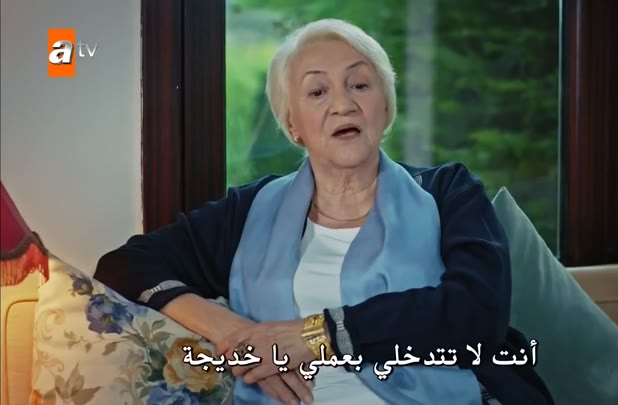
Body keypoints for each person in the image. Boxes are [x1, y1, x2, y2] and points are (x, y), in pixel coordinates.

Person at [94, 18, 553, 405]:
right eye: (317, 92)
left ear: (385, 106)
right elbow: (124, 265)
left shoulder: (448, 192)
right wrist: (239, 337)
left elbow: (478, 313)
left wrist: (319, 335)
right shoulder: (249, 212)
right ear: (292, 124)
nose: (343, 104)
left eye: (360, 85)